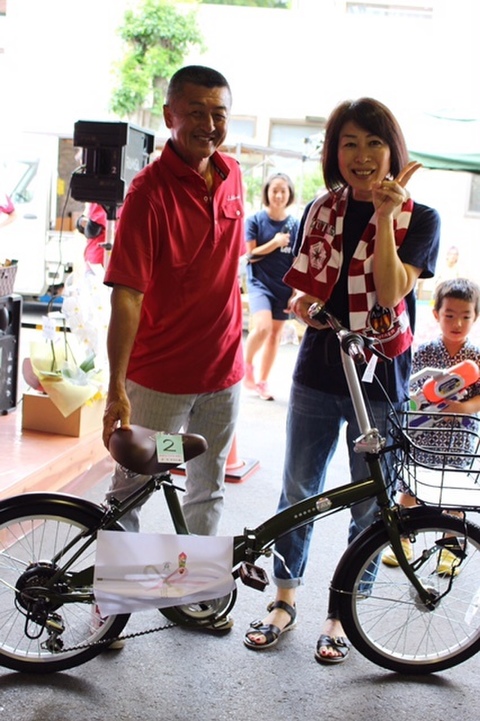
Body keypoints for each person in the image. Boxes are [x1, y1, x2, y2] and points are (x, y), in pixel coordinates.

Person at [243, 97, 440, 663]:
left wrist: (384, 218)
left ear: (392, 150)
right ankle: (283, 600)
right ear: (334, 152)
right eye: (349, 143)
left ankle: (342, 613)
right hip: (318, 369)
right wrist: (304, 307)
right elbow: (304, 292)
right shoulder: (319, 208)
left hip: (379, 377)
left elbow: (391, 290)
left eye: (374, 143)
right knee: (297, 489)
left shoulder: (420, 218)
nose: (361, 155)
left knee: (370, 503)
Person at [102, 65, 245, 620]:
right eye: (196, 113)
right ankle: (112, 607)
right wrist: (117, 387)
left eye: (219, 114)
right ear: (170, 116)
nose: (209, 125)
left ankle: (191, 598)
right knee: (134, 484)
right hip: (160, 383)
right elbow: (127, 297)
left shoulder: (232, 175)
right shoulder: (148, 194)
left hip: (223, 376)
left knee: (208, 487)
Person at [382, 277, 480, 572]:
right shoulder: (424, 351)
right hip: (423, 434)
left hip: (460, 438)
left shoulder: (476, 357)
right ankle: (402, 539)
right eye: (450, 315)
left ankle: (451, 547)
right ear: (436, 314)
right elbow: (409, 389)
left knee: (454, 494)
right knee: (411, 485)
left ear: (475, 317)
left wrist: (464, 407)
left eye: (465, 316)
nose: (457, 323)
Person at [243, 173, 299, 400]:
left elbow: (297, 259)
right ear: (267, 192)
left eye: (283, 191)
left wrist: (296, 291)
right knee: (263, 327)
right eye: (274, 190)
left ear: (289, 194)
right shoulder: (255, 220)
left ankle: (263, 382)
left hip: (284, 286)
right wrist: (275, 242)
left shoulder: (295, 224)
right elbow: (250, 254)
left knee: (275, 334)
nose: (278, 195)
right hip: (259, 283)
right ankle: (247, 367)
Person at [76, 202, 122, 267]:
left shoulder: (99, 202)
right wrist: (81, 222)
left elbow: (92, 230)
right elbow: (84, 223)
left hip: (100, 258)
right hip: (98, 259)